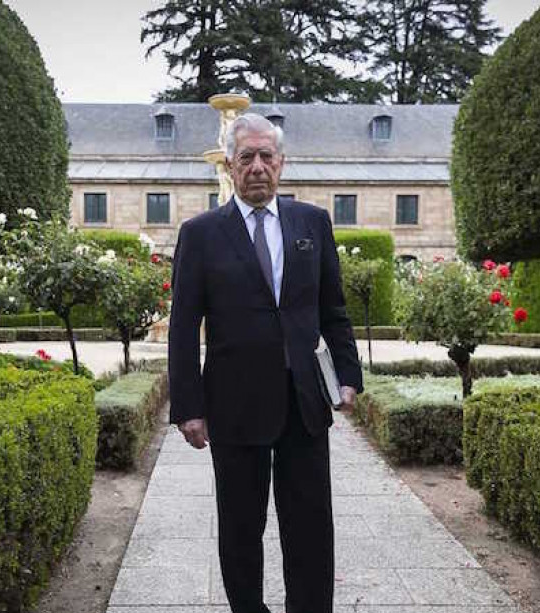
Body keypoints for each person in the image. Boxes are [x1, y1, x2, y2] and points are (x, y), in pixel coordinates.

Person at [168, 113, 364, 613]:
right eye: (246, 157)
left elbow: (333, 310)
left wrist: (347, 376)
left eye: (266, 157)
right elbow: (183, 327)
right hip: (233, 406)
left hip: (304, 403)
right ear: (231, 166)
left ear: (282, 163)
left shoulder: (312, 224)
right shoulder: (201, 234)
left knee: (311, 528)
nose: (257, 167)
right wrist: (188, 406)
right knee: (240, 528)